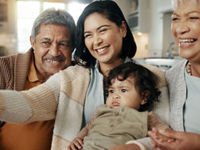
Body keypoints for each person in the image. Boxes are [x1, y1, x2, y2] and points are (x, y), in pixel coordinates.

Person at [0, 1, 168, 150]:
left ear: (122, 29)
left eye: (102, 30)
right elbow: (32, 103)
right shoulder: (70, 78)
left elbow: (167, 136)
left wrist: (135, 147)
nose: (96, 41)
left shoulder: (155, 77)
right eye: (88, 35)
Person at [0, 8, 75, 150]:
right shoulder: (4, 69)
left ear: (73, 47)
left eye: (63, 44)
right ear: (32, 42)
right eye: (46, 43)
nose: (54, 52)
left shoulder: (79, 77)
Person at [68, 62, 169, 150]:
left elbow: (167, 134)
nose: (114, 96)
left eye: (123, 90)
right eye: (111, 91)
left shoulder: (147, 117)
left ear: (144, 97)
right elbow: (87, 128)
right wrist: (78, 138)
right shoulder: (101, 111)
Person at [148, 0, 200, 149]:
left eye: (193, 17)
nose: (180, 29)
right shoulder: (170, 79)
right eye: (175, 19)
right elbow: (167, 137)